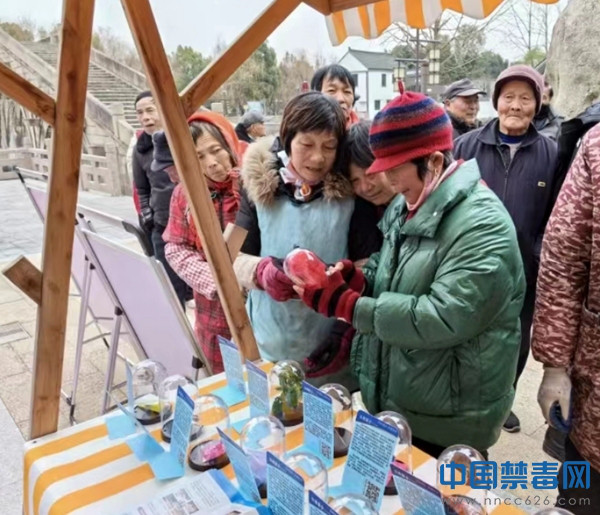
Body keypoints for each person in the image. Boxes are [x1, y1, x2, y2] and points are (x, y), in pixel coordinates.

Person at [295, 89, 525, 457]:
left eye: (393, 168)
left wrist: (350, 306)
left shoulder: (483, 226)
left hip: (449, 418)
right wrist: (358, 281)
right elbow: (392, 270)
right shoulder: (409, 203)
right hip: (402, 401)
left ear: (433, 161)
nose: (386, 180)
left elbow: (444, 316)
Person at [233, 91, 378, 387]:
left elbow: (369, 265)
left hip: (330, 345)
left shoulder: (352, 195)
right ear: (288, 139)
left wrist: (345, 329)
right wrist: (261, 272)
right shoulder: (257, 187)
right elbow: (231, 256)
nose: (318, 157)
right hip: (269, 342)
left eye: (329, 146)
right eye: (307, 144)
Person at [454, 65, 560, 433]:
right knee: (466, 333)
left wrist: (537, 253)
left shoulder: (551, 153)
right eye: (509, 97)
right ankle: (462, 398)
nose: (516, 105)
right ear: (497, 101)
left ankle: (502, 401)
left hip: (524, 272)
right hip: (471, 265)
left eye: (525, 98)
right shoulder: (466, 147)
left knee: (514, 341)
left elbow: (556, 216)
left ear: (538, 104)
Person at [531, 124, 600, 514]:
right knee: (581, 499)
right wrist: (555, 366)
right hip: (595, 406)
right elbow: (563, 260)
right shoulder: (596, 147)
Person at [161, 111, 243, 374]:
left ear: (230, 144)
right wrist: (216, 281)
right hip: (213, 313)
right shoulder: (185, 194)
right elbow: (176, 247)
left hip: (259, 309)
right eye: (199, 157)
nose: (212, 164)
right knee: (225, 381)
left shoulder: (254, 185)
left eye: (216, 150)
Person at [132, 91, 188, 307]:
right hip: (162, 224)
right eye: (140, 113)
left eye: (150, 110)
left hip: (190, 223)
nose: (145, 117)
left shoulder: (183, 138)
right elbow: (142, 188)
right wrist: (147, 213)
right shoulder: (140, 150)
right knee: (170, 286)